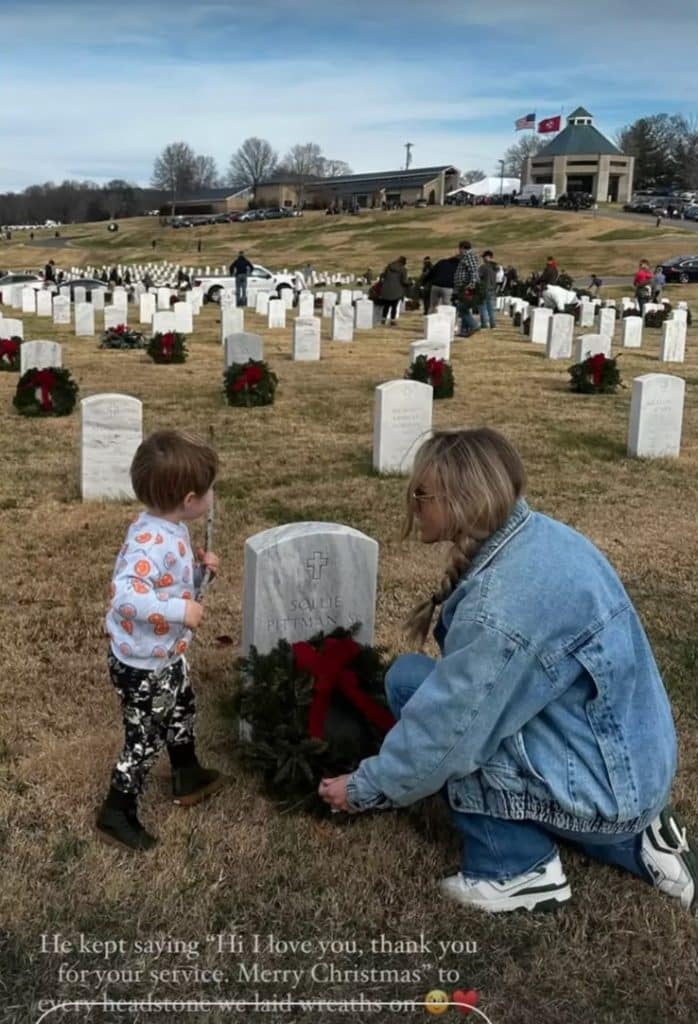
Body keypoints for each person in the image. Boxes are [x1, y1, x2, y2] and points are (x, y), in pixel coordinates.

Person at [319, 428, 696, 915]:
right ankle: (637, 843)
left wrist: (365, 786)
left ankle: (517, 869)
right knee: (418, 680)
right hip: (632, 767)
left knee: (434, 705)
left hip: (609, 787)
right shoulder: (542, 537)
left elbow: (451, 732)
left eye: (420, 494)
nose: (412, 505)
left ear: (458, 501)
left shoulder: (501, 606)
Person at [96, 430, 224, 852]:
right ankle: (117, 810)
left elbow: (170, 583)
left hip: (165, 655)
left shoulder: (168, 528)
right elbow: (127, 596)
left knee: (183, 704)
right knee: (145, 738)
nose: (212, 496)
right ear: (190, 500)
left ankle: (186, 772)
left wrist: (201, 574)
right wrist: (179, 613)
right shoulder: (148, 543)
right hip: (142, 663)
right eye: (208, 491)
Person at [453, 240, 480, 337]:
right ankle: (464, 330)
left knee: (462, 308)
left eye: (459, 249)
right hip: (462, 287)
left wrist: (471, 285)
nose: (459, 251)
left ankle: (474, 325)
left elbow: (473, 272)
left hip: (467, 287)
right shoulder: (465, 257)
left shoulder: (470, 257)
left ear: (463, 248)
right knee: (464, 308)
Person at [378, 256, 409, 326]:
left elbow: (383, 275)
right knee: (394, 306)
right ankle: (392, 321)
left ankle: (383, 319)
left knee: (386, 306)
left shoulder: (389, 267)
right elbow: (404, 281)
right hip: (397, 290)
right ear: (404, 262)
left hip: (386, 289)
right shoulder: (403, 269)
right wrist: (409, 283)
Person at [478, 250, 497, 329]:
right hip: (492, 289)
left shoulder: (483, 267)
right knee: (491, 309)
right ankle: (493, 324)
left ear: (487, 257)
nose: (482, 259)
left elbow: (478, 277)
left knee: (483, 308)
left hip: (484, 289)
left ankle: (484, 324)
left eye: (483, 257)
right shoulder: (495, 267)